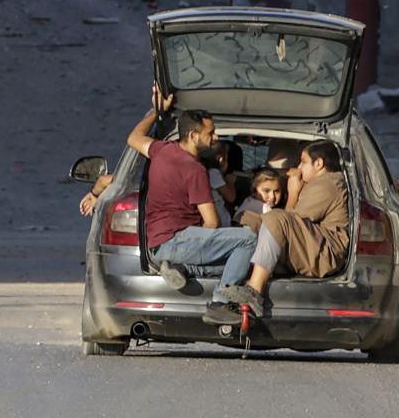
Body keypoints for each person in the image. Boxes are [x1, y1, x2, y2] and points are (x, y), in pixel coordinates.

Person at [115, 88, 257, 300]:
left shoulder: (161, 150)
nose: (216, 138)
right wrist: (214, 242)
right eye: (211, 133)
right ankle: (221, 302)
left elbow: (134, 138)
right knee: (248, 240)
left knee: (241, 265)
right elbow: (212, 223)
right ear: (193, 135)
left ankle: (181, 269)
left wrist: (155, 111)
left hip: (157, 246)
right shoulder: (196, 170)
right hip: (178, 242)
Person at [205, 140, 353, 323]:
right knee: (248, 218)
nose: (299, 167)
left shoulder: (327, 184)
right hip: (312, 246)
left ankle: (254, 291)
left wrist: (292, 193)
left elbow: (292, 221)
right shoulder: (319, 183)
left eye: (303, 162)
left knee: (276, 218)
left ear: (319, 163)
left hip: (324, 254)